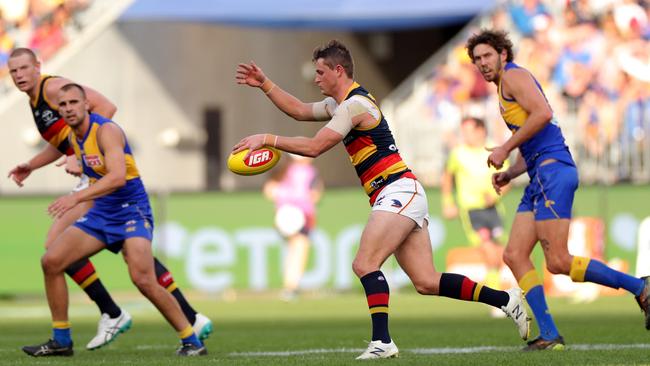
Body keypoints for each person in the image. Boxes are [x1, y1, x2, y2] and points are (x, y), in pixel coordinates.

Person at [233, 39, 530, 360]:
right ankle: (505, 300)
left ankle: (382, 342)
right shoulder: (341, 105)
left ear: (338, 70)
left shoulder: (354, 106)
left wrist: (267, 139)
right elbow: (301, 110)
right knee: (427, 281)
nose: (316, 78)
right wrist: (265, 84)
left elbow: (316, 147)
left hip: (397, 189)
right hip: (399, 192)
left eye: (320, 72)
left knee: (364, 263)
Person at [7, 48, 212, 350]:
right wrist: (35, 164)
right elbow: (62, 144)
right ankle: (65, 338)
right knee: (52, 259)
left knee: (141, 278)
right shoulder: (64, 125)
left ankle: (184, 332)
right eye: (13, 71)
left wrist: (77, 185)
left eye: (24, 68)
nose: (19, 75)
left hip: (128, 207)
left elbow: (116, 174)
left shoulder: (94, 122)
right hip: (102, 206)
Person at [465, 29, 650, 351]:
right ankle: (549, 334)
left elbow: (544, 115)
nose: (482, 63)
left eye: (487, 56)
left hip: (553, 172)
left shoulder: (513, 77)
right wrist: (511, 172)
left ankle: (640, 287)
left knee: (559, 261)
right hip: (539, 172)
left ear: (503, 55)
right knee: (514, 254)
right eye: (477, 59)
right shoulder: (503, 88)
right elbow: (534, 134)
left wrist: (504, 148)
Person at [441, 116, 509, 317]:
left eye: (469, 131)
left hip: (494, 208)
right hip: (472, 210)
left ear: (481, 131)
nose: (465, 135)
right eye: (463, 131)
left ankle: (500, 296)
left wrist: (497, 194)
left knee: (499, 253)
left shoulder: (494, 151)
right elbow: (447, 177)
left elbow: (507, 178)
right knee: (488, 249)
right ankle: (497, 301)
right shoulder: (458, 153)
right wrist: (448, 202)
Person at [263, 154, 324, 301]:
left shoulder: (281, 171)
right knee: (299, 250)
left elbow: (269, 191)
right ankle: (291, 286)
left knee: (292, 249)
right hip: (303, 214)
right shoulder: (310, 172)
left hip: (283, 214)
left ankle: (289, 285)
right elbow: (316, 195)